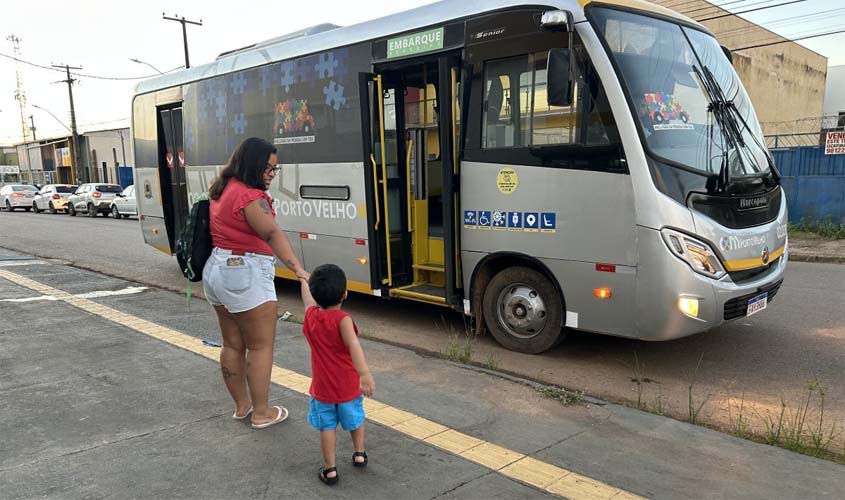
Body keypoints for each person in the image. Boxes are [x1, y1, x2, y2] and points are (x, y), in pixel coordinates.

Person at [202, 137, 308, 429]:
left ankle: (242, 406)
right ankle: (262, 413)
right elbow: (272, 234)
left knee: (233, 344)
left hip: (217, 270)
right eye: (268, 169)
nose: (272, 175)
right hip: (245, 271)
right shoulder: (250, 197)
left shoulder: (222, 188)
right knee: (261, 347)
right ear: (253, 165)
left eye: (275, 169)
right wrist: (299, 270)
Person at [300, 264, 375, 485]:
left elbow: (306, 300)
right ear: (344, 294)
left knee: (327, 426)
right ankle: (359, 453)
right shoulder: (343, 320)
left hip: (322, 388)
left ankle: (330, 469)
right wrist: (364, 374)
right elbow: (354, 346)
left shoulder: (310, 316)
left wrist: (303, 279)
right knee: (355, 418)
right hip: (348, 386)